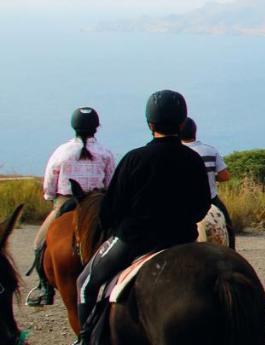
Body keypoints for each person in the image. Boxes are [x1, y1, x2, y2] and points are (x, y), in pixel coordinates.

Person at [75, 90, 211, 344]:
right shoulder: (193, 159)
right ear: (181, 124)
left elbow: (109, 211)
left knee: (85, 283)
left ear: (150, 124)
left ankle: (85, 340)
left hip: (134, 241)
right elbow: (201, 207)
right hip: (183, 240)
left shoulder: (134, 158)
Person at [26, 107, 116, 307]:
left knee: (39, 243)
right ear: (96, 127)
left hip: (65, 202)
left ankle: (45, 288)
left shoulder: (62, 151)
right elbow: (110, 183)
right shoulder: (106, 153)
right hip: (96, 205)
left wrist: (51, 198)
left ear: (73, 126)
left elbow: (50, 181)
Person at [180, 117, 234, 249]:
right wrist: (211, 176)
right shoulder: (210, 150)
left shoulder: (176, 152)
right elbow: (225, 176)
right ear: (195, 132)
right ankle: (232, 250)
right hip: (210, 200)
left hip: (184, 203)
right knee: (228, 226)